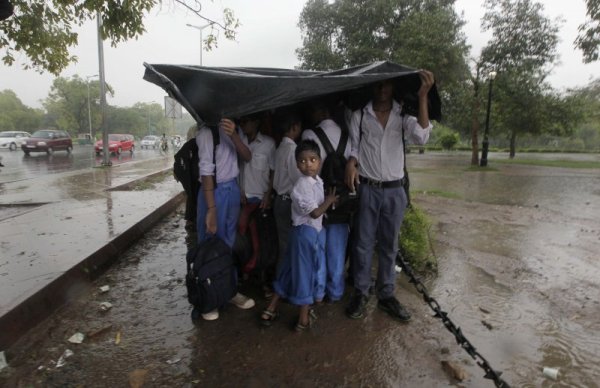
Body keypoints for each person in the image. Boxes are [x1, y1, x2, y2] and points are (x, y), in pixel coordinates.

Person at [344, 71, 435, 322]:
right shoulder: (359, 116)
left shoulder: (403, 115)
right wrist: (352, 162)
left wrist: (423, 96)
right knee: (362, 244)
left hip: (395, 190)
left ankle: (386, 295)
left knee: (389, 245)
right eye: (378, 85)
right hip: (368, 189)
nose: (383, 89)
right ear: (373, 88)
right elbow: (354, 147)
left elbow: (421, 137)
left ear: (393, 87)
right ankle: (361, 292)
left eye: (387, 84)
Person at [260, 139, 337, 331]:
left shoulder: (317, 182)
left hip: (305, 233)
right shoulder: (302, 185)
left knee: (288, 270)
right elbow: (315, 213)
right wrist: (329, 201)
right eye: (302, 161)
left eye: (312, 159)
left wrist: (328, 201)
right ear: (297, 164)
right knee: (305, 274)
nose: (308, 164)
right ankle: (303, 318)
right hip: (304, 234)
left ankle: (270, 308)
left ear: (319, 162)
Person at [195, 118, 255, 321]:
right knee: (209, 242)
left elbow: (247, 156)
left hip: (231, 189)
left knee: (228, 243)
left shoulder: (234, 129)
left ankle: (228, 291)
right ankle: (208, 297)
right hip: (213, 192)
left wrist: (234, 136)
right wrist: (211, 208)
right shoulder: (206, 132)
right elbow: (205, 172)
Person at [301, 100, 351, 303]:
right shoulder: (348, 136)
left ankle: (318, 293)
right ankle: (336, 292)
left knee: (318, 251)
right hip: (342, 201)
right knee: (337, 252)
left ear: (319, 111)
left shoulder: (309, 135)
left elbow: (308, 171)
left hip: (318, 202)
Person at [237, 113, 276, 276]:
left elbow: (274, 170)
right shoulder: (240, 142)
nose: (243, 125)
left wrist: (268, 195)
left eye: (246, 121)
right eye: (242, 121)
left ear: (256, 122)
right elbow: (239, 170)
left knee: (260, 242)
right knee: (244, 240)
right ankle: (246, 273)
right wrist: (240, 191)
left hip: (260, 200)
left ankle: (262, 278)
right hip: (243, 199)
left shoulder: (268, 144)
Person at [272, 112, 303, 268]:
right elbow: (298, 179)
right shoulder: (292, 150)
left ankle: (281, 283)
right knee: (288, 245)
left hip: (278, 199)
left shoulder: (279, 148)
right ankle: (283, 285)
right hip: (287, 202)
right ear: (294, 127)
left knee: (282, 243)